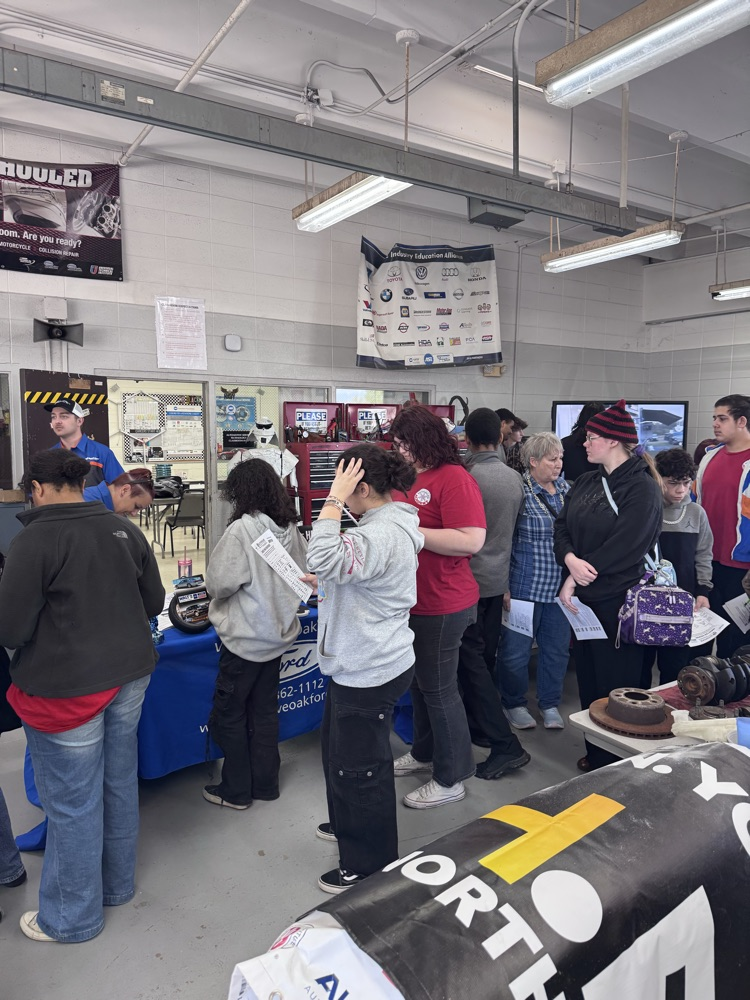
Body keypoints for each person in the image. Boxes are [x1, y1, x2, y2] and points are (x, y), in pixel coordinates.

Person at [0, 448, 164, 943]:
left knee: (73, 802)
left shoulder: (35, 540)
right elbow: (154, 601)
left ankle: (71, 918)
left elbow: (11, 628)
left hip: (69, 687)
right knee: (117, 782)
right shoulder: (124, 530)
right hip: (130, 676)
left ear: (37, 489)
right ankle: (115, 885)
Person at [303, 445, 423, 893]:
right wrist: (329, 580)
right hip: (364, 660)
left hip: (368, 666)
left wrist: (333, 499)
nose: (340, 497)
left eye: (345, 488)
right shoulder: (383, 527)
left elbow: (323, 556)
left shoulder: (381, 532)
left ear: (363, 489)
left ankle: (369, 864)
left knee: (360, 769)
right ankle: (346, 822)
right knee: (339, 754)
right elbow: (351, 571)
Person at [553, 400, 662, 772]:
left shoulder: (642, 488)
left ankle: (621, 761)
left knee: (619, 683)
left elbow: (628, 543)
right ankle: (598, 752)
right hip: (585, 601)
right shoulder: (587, 481)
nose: (584, 443)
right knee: (589, 678)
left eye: (591, 437)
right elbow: (561, 527)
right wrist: (569, 559)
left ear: (614, 440)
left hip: (621, 601)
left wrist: (577, 574)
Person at [389, 404, 486, 808]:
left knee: (440, 690)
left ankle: (451, 777)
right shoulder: (408, 476)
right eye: (396, 444)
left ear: (424, 440)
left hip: (443, 602)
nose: (400, 450)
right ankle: (425, 752)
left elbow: (471, 539)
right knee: (420, 685)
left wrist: (414, 533)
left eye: (405, 443)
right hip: (411, 600)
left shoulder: (455, 478)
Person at [203, 459, 308, 810]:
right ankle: (265, 785)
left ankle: (235, 791)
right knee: (264, 713)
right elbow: (304, 575)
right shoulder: (290, 528)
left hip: (245, 641)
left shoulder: (242, 530)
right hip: (276, 637)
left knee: (230, 715)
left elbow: (219, 584)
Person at [457, 408, 530, 779]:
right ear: (500, 437)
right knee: (485, 656)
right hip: (498, 579)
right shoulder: (515, 479)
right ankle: (483, 728)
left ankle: (481, 727)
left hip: (466, 582)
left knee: (466, 662)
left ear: (467, 439)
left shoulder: (466, 477)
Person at [499, 432, 572, 730]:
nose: (558, 464)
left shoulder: (568, 491)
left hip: (561, 590)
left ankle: (549, 703)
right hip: (524, 586)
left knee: (556, 651)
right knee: (515, 653)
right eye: (552, 459)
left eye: (560, 458)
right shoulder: (520, 493)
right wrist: (504, 586)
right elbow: (504, 540)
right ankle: (513, 703)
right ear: (533, 461)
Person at [650, 448, 713, 682]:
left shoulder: (697, 513)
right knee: (642, 664)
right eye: (673, 483)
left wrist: (703, 590)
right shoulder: (647, 509)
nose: (680, 490)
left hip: (682, 602)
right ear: (659, 480)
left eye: (686, 483)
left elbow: (703, 554)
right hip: (648, 599)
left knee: (674, 667)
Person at [695, 395, 750, 658]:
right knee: (700, 637)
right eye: (714, 418)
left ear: (742, 421)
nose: (715, 424)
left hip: (741, 568)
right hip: (705, 563)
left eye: (722, 418)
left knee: (735, 643)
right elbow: (694, 504)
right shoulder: (710, 457)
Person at [45, 398, 125, 510]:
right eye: (54, 417)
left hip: (96, 517)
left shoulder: (102, 453)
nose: (57, 421)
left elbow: (121, 489)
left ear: (79, 421)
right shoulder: (49, 457)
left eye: (64, 416)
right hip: (62, 518)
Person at [561, 402, 608, 482]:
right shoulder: (607, 445)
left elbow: (554, 476)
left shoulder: (564, 443)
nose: (586, 444)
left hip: (573, 488)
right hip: (602, 488)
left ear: (581, 418)